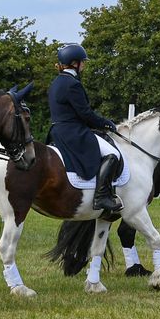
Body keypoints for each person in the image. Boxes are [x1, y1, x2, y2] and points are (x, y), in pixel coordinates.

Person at [47, 43, 123, 217]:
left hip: (57, 131)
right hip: (73, 132)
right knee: (113, 154)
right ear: (75, 63)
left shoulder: (56, 82)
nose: (84, 65)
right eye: (83, 62)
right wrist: (105, 123)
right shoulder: (72, 84)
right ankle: (101, 197)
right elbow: (85, 113)